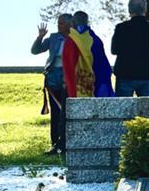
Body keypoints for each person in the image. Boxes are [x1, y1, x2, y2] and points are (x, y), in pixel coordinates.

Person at [31, 13, 71, 154]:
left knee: (66, 112)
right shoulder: (54, 38)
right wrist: (40, 37)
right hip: (53, 77)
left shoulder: (75, 38)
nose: (58, 25)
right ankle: (55, 144)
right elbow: (35, 51)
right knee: (55, 112)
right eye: (58, 23)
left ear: (69, 24)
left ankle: (65, 143)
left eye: (61, 23)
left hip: (69, 78)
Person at [111, 0, 149, 96]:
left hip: (125, 73)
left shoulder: (121, 28)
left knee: (122, 109)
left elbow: (114, 50)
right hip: (147, 75)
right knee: (148, 110)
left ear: (129, 10)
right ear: (145, 9)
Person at [63, 10, 114, 98]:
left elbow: (68, 64)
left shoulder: (71, 40)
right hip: (94, 83)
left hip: (76, 85)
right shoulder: (95, 40)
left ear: (72, 23)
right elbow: (103, 63)